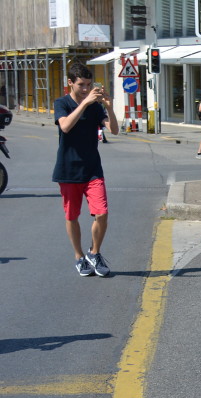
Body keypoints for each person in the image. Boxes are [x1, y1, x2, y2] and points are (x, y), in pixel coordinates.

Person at [52, 61, 119, 277]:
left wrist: (108, 106)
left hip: (92, 169)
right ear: (70, 83)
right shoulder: (61, 103)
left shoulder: (96, 106)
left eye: (89, 85)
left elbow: (115, 130)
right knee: (72, 216)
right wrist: (84, 103)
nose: (86, 89)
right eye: (81, 85)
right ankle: (79, 256)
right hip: (68, 170)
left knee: (102, 213)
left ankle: (94, 252)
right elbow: (65, 126)